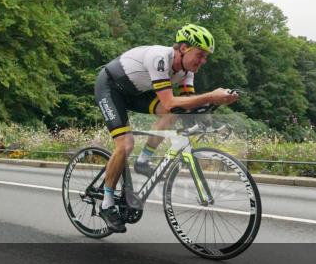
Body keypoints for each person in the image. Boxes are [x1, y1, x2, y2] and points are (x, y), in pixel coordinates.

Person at [94, 24, 239, 232]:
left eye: (206, 57)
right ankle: (107, 203)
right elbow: (171, 101)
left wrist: (216, 104)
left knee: (174, 113)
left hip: (136, 93)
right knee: (125, 145)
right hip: (110, 88)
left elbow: (188, 105)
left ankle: (143, 161)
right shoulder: (160, 58)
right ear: (183, 48)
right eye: (200, 54)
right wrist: (210, 96)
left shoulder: (188, 71)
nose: (203, 61)